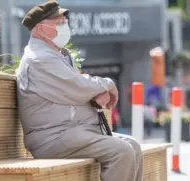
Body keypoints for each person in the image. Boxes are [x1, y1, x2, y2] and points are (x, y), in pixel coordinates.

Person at [15, 1, 143, 181]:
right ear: (40, 29)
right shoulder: (39, 59)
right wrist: (106, 84)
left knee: (133, 146)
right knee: (121, 151)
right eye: (58, 22)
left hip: (72, 132)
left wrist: (95, 92)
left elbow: (76, 89)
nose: (65, 25)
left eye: (64, 20)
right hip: (53, 137)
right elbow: (77, 87)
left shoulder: (56, 55)